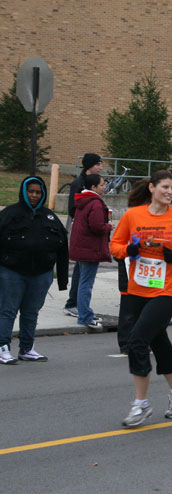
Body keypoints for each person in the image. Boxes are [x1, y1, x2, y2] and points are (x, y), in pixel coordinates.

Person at [109, 171, 172, 427]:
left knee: (137, 341)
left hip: (166, 290)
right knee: (158, 340)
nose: (170, 192)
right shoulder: (132, 216)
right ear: (151, 188)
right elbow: (115, 246)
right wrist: (130, 250)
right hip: (137, 288)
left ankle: (141, 405)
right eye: (165, 187)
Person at [0, 176, 69, 365]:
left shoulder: (50, 217)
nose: (34, 195)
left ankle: (27, 348)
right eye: (31, 191)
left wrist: (62, 280)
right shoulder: (8, 214)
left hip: (41, 274)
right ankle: (2, 347)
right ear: (24, 191)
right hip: (11, 273)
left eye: (38, 192)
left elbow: (63, 247)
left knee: (31, 312)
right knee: (7, 311)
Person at [69, 173, 113, 330]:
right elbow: (97, 227)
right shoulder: (95, 203)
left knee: (83, 282)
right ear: (93, 187)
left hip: (81, 247)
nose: (104, 187)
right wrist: (109, 226)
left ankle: (84, 312)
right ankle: (85, 316)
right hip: (89, 249)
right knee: (86, 284)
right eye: (102, 185)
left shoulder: (83, 200)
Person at [64, 153, 104, 318]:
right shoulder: (78, 183)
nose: (101, 167)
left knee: (82, 272)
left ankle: (76, 303)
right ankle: (73, 304)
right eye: (99, 164)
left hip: (87, 236)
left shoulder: (92, 183)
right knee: (83, 274)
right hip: (83, 234)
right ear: (90, 165)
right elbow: (73, 208)